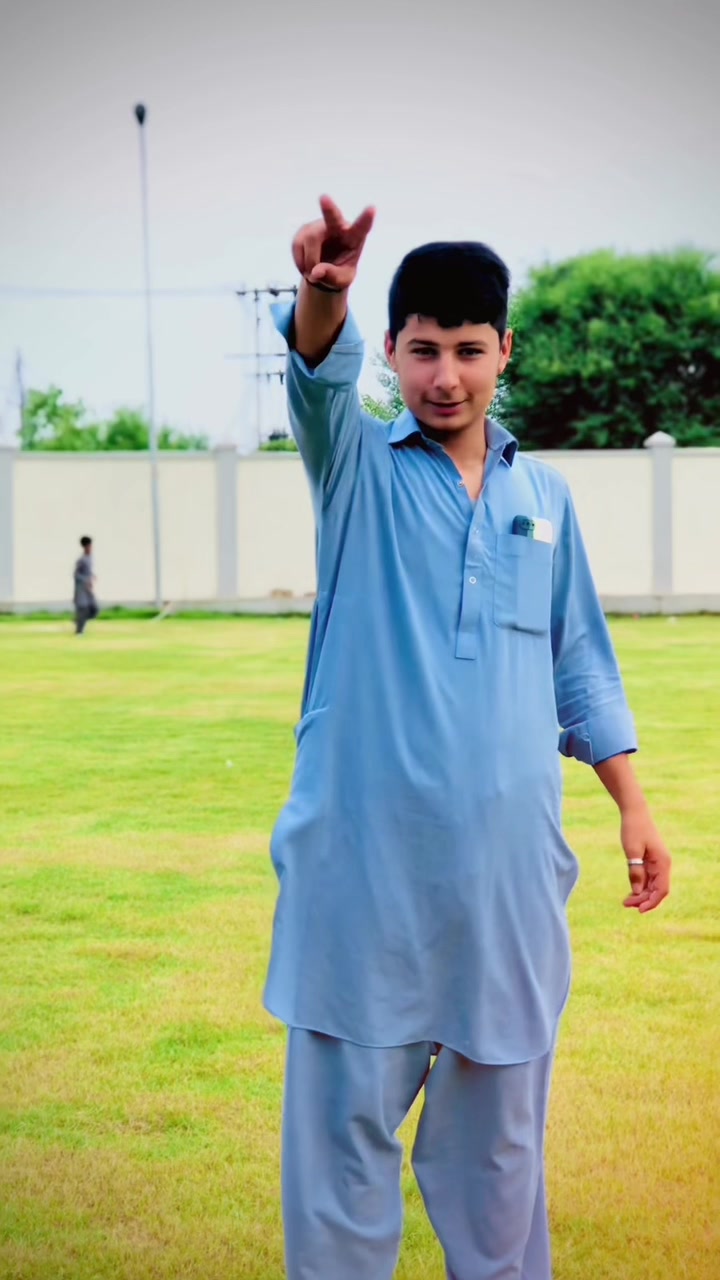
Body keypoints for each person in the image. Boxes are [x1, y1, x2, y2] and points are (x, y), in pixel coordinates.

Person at [264, 196, 672, 1280]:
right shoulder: (355, 468)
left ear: (504, 352)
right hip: (364, 877)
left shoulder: (544, 497)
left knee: (498, 1159)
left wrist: (632, 803)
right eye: (423, 350)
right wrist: (322, 293)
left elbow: (579, 662)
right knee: (341, 1153)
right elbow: (316, 374)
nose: (445, 376)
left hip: (504, 881)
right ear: (391, 352)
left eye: (469, 350)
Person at [73, 535, 98, 634]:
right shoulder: (81, 560)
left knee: (94, 609)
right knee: (83, 609)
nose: (91, 548)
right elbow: (76, 575)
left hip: (89, 589)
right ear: (85, 547)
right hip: (81, 589)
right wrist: (86, 580)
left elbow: (88, 572)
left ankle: (78, 620)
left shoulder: (90, 558)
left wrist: (92, 576)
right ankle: (79, 632)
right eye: (89, 546)